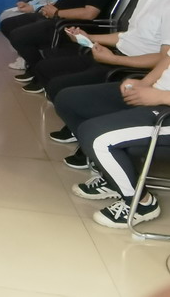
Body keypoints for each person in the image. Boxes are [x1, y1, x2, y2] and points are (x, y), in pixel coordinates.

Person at [40, 0, 170, 166]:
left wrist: (116, 60)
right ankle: (83, 137)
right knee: (52, 77)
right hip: (118, 57)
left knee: (63, 89)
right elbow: (127, 36)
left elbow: (162, 57)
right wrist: (90, 38)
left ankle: (91, 146)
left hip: (128, 65)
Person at [54, 54, 170, 228]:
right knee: (67, 100)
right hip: (156, 93)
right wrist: (145, 83)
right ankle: (115, 179)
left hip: (164, 103)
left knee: (95, 136)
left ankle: (141, 203)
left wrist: (162, 97)